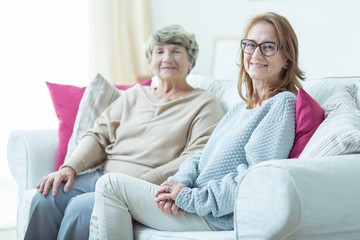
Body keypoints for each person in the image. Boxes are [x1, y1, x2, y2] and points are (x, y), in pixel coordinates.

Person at [88, 11, 306, 240]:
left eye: (268, 47)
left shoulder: (281, 103)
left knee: (109, 186)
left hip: (214, 215)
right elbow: (199, 157)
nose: (256, 54)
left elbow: (254, 178)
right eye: (250, 45)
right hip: (191, 199)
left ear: (287, 58)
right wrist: (178, 182)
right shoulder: (241, 108)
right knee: (108, 188)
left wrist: (191, 198)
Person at [24, 25, 225, 240]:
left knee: (81, 209)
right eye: (159, 51)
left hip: (143, 186)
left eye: (176, 51)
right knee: (45, 197)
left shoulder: (205, 103)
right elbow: (99, 135)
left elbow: (196, 155)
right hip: (102, 175)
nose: (167, 58)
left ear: (191, 61)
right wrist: (70, 167)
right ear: (150, 62)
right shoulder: (134, 95)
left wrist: (137, 183)